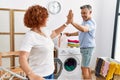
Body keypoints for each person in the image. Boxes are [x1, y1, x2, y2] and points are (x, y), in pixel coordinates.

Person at [18, 5, 71, 80]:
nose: (47, 19)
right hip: (38, 76)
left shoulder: (44, 31)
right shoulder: (30, 36)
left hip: (50, 73)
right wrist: (31, 75)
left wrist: (67, 23)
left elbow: (55, 33)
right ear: (40, 19)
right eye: (46, 17)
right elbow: (22, 58)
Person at [65, 4, 96, 80]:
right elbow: (80, 31)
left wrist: (72, 22)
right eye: (82, 13)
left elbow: (84, 29)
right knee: (86, 67)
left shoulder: (91, 23)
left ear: (90, 12)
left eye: (85, 13)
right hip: (85, 48)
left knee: (84, 68)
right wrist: (70, 34)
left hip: (88, 48)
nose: (83, 15)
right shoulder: (85, 21)